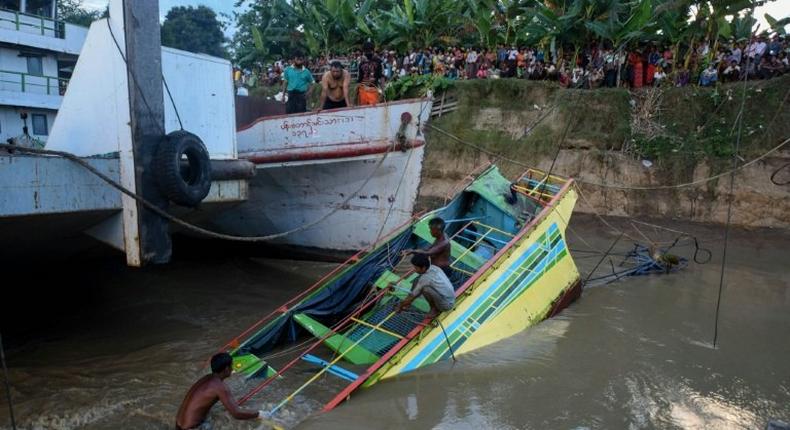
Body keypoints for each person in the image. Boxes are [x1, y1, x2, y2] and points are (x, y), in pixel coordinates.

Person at [175, 353, 265, 430]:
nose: (232, 368)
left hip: (178, 425)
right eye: (231, 366)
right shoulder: (220, 387)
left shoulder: (206, 378)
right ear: (226, 369)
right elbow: (236, 413)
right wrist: (259, 414)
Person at [396, 254, 455, 319]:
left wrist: (400, 305)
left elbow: (412, 296)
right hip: (450, 297)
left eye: (416, 268)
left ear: (423, 268)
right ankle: (408, 303)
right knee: (418, 282)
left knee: (425, 289)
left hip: (446, 305)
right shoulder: (434, 267)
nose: (415, 270)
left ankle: (435, 309)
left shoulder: (425, 278)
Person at [357, 41, 383, 105]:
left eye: (369, 51)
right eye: (366, 51)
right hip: (363, 90)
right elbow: (360, 78)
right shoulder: (361, 63)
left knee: (372, 109)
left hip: (373, 90)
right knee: (364, 110)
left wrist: (382, 91)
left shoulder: (379, 62)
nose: (367, 53)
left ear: (373, 50)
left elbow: (382, 77)